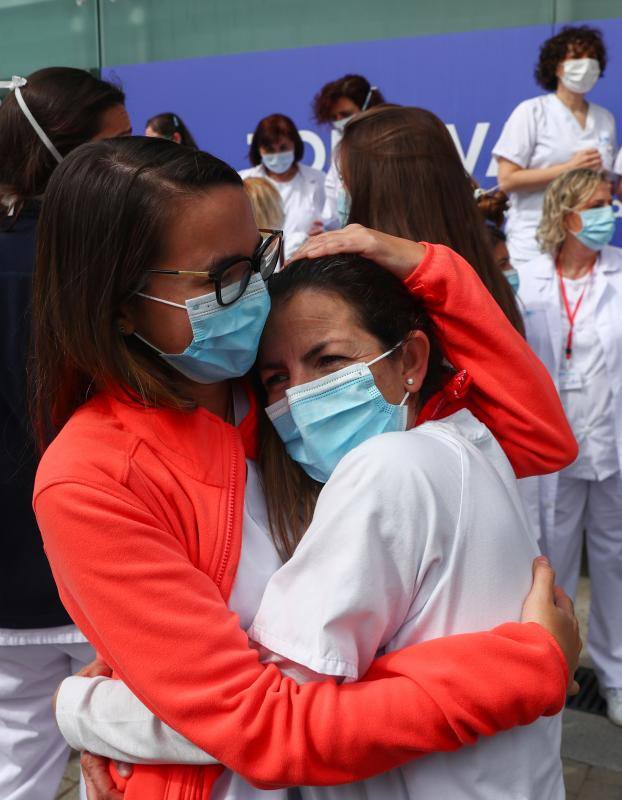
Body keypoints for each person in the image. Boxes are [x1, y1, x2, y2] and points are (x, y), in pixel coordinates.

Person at [33, 137, 577, 800]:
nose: (256, 292)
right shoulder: (94, 478)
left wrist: (427, 267)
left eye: (259, 259)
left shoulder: (273, 391)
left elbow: (538, 438)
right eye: (223, 277)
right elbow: (261, 723)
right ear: (118, 302)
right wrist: (525, 668)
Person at [0, 67, 130, 800]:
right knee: (132, 760)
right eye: (117, 143)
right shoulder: (96, 266)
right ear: (65, 152)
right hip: (100, 559)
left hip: (15, 587)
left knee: (15, 767)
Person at [519, 167, 622, 726]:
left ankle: (616, 674)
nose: (609, 213)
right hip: (553, 450)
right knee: (548, 565)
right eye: (598, 204)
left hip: (612, 444)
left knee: (615, 563)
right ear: (566, 214)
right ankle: (549, 668)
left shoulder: (620, 272)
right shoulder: (530, 279)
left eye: (610, 202)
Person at [335, 104, 525, 333]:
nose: (340, 192)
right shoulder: (482, 273)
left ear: (377, 194)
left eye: (344, 180)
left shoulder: (359, 289)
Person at [493, 25, 617, 266]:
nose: (587, 64)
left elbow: (609, 184)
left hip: (585, 242)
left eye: (592, 58)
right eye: (577, 57)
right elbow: (507, 180)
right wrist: (568, 168)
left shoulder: (605, 119)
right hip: (534, 240)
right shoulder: (532, 111)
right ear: (557, 66)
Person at [240, 114, 325, 259]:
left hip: (305, 266)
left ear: (295, 145)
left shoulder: (319, 180)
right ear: (258, 150)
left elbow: (331, 224)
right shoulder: (242, 182)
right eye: (270, 149)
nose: (277, 155)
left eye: (283, 147)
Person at [312, 75, 384, 229]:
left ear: (368, 106)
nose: (339, 121)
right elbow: (333, 204)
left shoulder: (390, 144)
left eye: (345, 114)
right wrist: (324, 228)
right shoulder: (340, 150)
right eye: (334, 117)